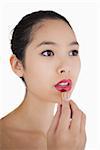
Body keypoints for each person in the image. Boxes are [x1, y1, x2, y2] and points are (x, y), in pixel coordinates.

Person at [0, 10, 86, 150]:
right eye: (48, 53)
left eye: (73, 52)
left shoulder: (75, 137)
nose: (66, 67)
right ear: (18, 65)